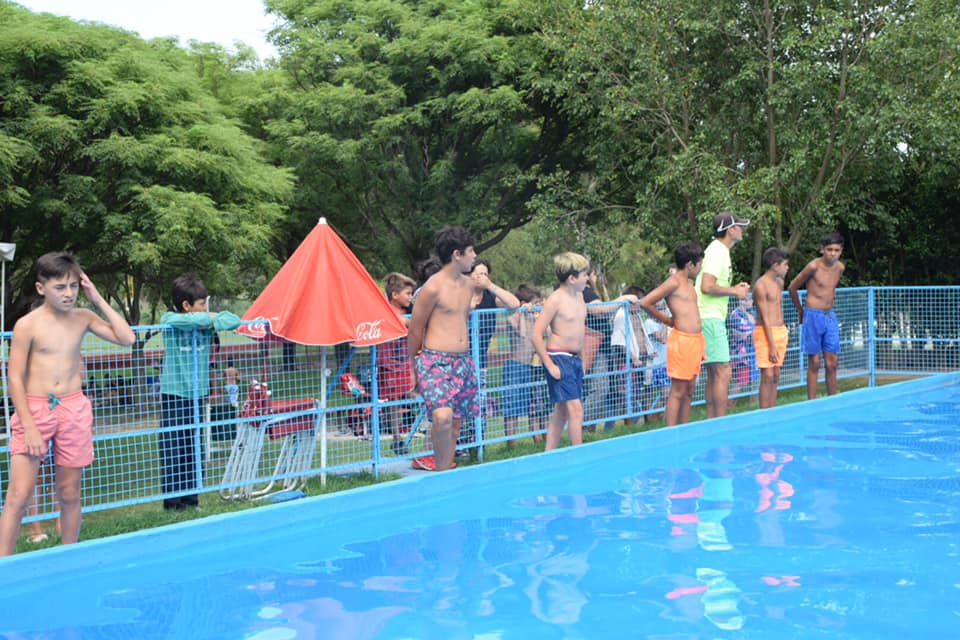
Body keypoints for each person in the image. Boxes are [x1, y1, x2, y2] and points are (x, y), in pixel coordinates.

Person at [0, 252, 135, 556]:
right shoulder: (27, 325)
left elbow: (127, 338)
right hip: (35, 408)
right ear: (41, 288)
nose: (69, 293)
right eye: (60, 287)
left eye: (74, 286)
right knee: (18, 495)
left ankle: (68, 559)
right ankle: (4, 567)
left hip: (73, 408)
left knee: (70, 492)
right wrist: (30, 428)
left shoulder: (83, 317)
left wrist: (97, 298)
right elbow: (15, 379)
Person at [158, 273, 241, 510]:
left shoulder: (206, 323)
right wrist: (207, 319)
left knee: (194, 447)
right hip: (174, 394)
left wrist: (208, 319)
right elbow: (175, 321)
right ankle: (173, 503)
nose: (207, 308)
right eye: (202, 304)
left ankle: (192, 499)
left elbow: (233, 320)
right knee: (173, 447)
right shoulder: (170, 319)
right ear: (186, 305)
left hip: (198, 394)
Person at [407, 226, 480, 472]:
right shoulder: (433, 287)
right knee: (442, 417)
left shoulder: (468, 285)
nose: (475, 256)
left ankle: (446, 471)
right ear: (457, 254)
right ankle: (439, 471)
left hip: (463, 362)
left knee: (456, 424)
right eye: (471, 251)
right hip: (435, 360)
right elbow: (415, 329)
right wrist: (413, 369)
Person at [530, 252, 591, 451]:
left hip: (574, 359)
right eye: (584, 274)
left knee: (561, 411)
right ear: (572, 278)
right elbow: (536, 334)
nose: (588, 278)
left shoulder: (580, 296)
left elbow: (580, 329)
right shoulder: (555, 299)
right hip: (559, 357)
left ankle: (549, 453)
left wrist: (582, 359)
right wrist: (549, 365)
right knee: (576, 408)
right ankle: (578, 454)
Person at [640, 242, 706, 426]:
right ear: (690, 264)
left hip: (695, 341)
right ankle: (671, 431)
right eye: (700, 264)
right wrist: (666, 320)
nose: (701, 268)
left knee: (690, 389)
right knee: (678, 389)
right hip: (682, 340)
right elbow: (646, 302)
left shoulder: (688, 283)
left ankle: (684, 428)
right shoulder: (674, 282)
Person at [696, 212, 752, 419]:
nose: (742, 230)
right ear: (730, 230)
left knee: (714, 372)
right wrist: (735, 291)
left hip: (708, 316)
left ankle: (713, 421)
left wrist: (734, 288)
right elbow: (707, 286)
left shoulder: (719, 251)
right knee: (723, 371)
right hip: (709, 316)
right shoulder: (717, 251)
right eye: (740, 226)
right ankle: (719, 423)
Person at [462, 258, 520, 455]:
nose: (482, 277)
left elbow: (514, 303)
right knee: (459, 405)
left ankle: (477, 445)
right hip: (458, 359)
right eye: (478, 273)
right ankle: (458, 446)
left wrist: (491, 286)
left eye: (485, 274)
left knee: (479, 404)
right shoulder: (459, 294)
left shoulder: (490, 297)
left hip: (480, 361)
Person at [788, 232, 845, 399]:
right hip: (812, 314)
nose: (833, 253)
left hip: (830, 315)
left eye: (836, 250)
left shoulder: (840, 268)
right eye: (829, 250)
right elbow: (792, 287)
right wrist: (801, 311)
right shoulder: (813, 266)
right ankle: (812, 402)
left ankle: (832, 400)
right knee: (814, 362)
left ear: (841, 251)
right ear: (822, 250)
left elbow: (830, 289)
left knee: (832, 362)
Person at [501, 284, 548, 447]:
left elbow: (548, 332)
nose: (536, 307)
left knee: (536, 405)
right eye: (535, 303)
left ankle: (539, 439)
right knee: (512, 407)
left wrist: (542, 314)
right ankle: (511, 444)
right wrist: (522, 312)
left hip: (532, 367)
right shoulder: (513, 317)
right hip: (515, 366)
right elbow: (521, 333)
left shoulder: (535, 318)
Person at [379, 272, 416, 455]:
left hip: (404, 362)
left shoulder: (405, 312)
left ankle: (409, 429)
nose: (410, 297)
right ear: (395, 295)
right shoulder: (387, 312)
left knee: (413, 394)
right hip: (390, 364)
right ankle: (396, 437)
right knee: (393, 401)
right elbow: (401, 322)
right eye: (407, 293)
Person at [753, 248, 791, 408]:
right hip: (765, 332)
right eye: (785, 264)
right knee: (767, 375)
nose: (787, 268)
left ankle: (773, 410)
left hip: (780, 331)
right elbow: (765, 317)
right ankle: (764, 413)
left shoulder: (779, 283)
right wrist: (772, 346)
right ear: (775, 265)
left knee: (775, 374)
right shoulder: (760, 285)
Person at [728, 296, 759, 407]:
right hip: (742, 354)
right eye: (747, 299)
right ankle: (729, 404)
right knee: (741, 381)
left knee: (753, 380)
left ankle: (752, 404)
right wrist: (756, 331)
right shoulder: (735, 314)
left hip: (754, 352)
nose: (750, 301)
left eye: (751, 299)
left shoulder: (752, 313)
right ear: (740, 300)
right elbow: (747, 331)